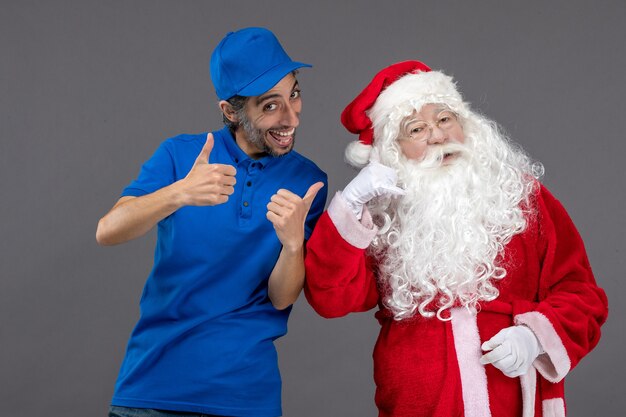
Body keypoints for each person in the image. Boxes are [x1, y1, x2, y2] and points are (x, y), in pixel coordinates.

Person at [304, 61, 607, 417]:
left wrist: (534, 337)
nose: (437, 136)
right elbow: (331, 299)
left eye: (445, 119)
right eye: (417, 129)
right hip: (420, 403)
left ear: (466, 124)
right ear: (393, 152)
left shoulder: (523, 198)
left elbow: (583, 295)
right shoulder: (381, 217)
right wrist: (351, 205)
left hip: (511, 398)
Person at [97, 27, 327, 417]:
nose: (291, 116)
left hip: (246, 397)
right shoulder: (180, 155)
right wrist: (179, 193)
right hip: (153, 390)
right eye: (270, 105)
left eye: (294, 94)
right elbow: (108, 230)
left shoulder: (307, 182)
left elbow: (281, 297)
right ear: (231, 111)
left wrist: (292, 245)